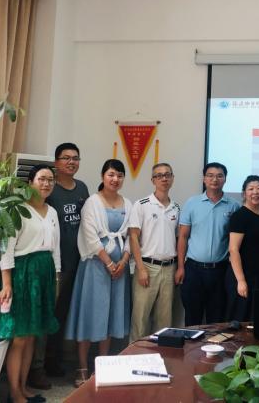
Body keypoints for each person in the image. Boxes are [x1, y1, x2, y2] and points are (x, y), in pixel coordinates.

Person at [0, 164, 60, 403]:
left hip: (44, 273)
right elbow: (6, 249)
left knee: (31, 336)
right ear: (30, 182)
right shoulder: (17, 209)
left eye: (50, 180)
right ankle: (14, 392)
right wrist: (7, 284)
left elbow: (55, 249)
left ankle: (24, 386)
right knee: (19, 336)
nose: (46, 184)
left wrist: (56, 278)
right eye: (41, 179)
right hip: (22, 274)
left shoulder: (52, 212)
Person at [64, 159, 132, 388]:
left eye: (120, 175)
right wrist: (109, 264)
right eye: (111, 174)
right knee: (90, 315)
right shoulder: (92, 203)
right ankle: (82, 366)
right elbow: (90, 237)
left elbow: (131, 236)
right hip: (95, 268)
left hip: (120, 271)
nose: (115, 179)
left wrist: (123, 262)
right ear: (103, 176)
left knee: (110, 316)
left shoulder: (128, 203)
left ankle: (103, 364)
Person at [29, 143, 90, 389]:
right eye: (66, 158)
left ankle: (53, 360)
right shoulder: (49, 189)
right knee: (45, 316)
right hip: (53, 265)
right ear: (56, 163)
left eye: (75, 158)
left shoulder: (82, 188)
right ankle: (36, 368)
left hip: (77, 263)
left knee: (61, 316)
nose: (71, 162)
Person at [176, 162, 240, 326]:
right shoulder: (192, 203)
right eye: (210, 175)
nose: (214, 179)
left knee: (216, 319)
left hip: (220, 271)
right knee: (192, 318)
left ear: (225, 179)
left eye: (219, 176)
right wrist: (181, 267)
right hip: (193, 270)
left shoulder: (234, 206)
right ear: (204, 179)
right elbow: (183, 236)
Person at [128, 163, 180, 341]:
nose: (164, 178)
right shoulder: (142, 205)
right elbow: (133, 237)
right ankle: (135, 355)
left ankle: (161, 355)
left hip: (169, 268)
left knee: (164, 322)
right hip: (147, 267)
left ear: (172, 178)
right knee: (140, 319)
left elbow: (178, 239)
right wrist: (141, 268)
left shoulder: (176, 208)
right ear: (153, 180)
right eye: (159, 175)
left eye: (167, 175)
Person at [226, 175, 259, 321]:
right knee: (240, 319)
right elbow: (233, 249)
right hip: (244, 276)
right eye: (251, 189)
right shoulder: (239, 216)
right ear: (244, 193)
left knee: (258, 319)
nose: (255, 192)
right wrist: (241, 281)